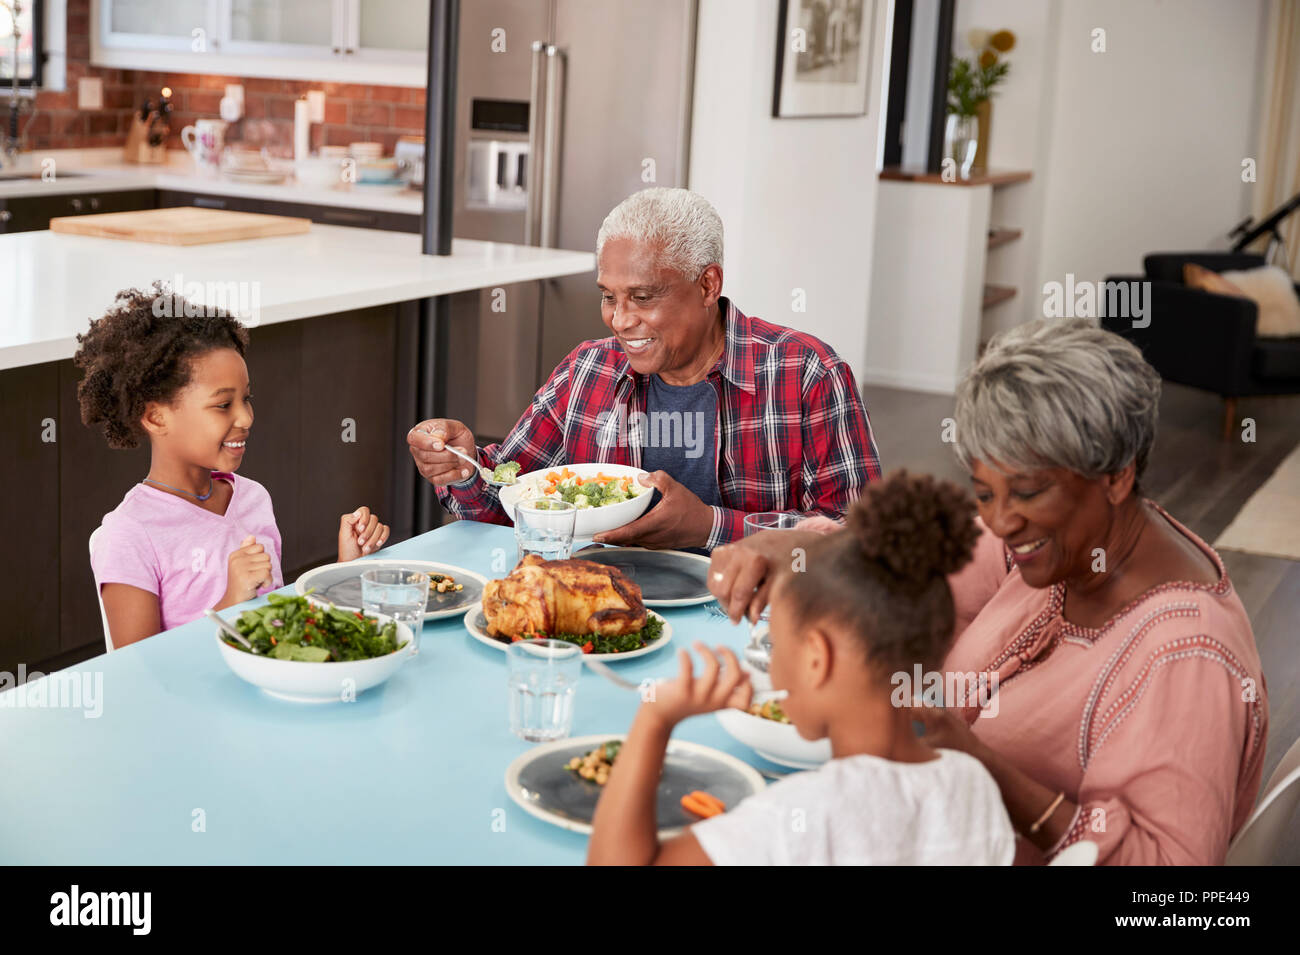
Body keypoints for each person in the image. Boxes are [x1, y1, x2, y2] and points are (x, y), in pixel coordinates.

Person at [708, 320, 1269, 864]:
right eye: (983, 492)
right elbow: (917, 558)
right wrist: (801, 547)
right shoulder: (1069, 544)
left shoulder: (1185, 657)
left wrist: (977, 762)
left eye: (1025, 493)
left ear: (1116, 476)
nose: (1000, 521)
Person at [408, 187, 880, 551]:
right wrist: (464, 469)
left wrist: (709, 526)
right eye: (608, 296)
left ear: (707, 284)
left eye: (643, 297)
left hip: (746, 623)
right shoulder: (586, 371)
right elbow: (510, 504)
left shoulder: (807, 373)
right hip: (600, 612)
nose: (620, 319)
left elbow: (860, 542)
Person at [586, 472, 1015, 865]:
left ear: (816, 657)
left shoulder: (799, 816)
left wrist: (655, 719)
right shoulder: (973, 785)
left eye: (780, 649)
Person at [76, 284, 390, 648]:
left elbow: (279, 629)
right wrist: (228, 604)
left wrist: (342, 570)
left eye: (247, 399)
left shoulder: (252, 498)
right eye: (223, 405)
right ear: (156, 417)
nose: (246, 417)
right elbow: (138, 678)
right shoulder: (129, 535)